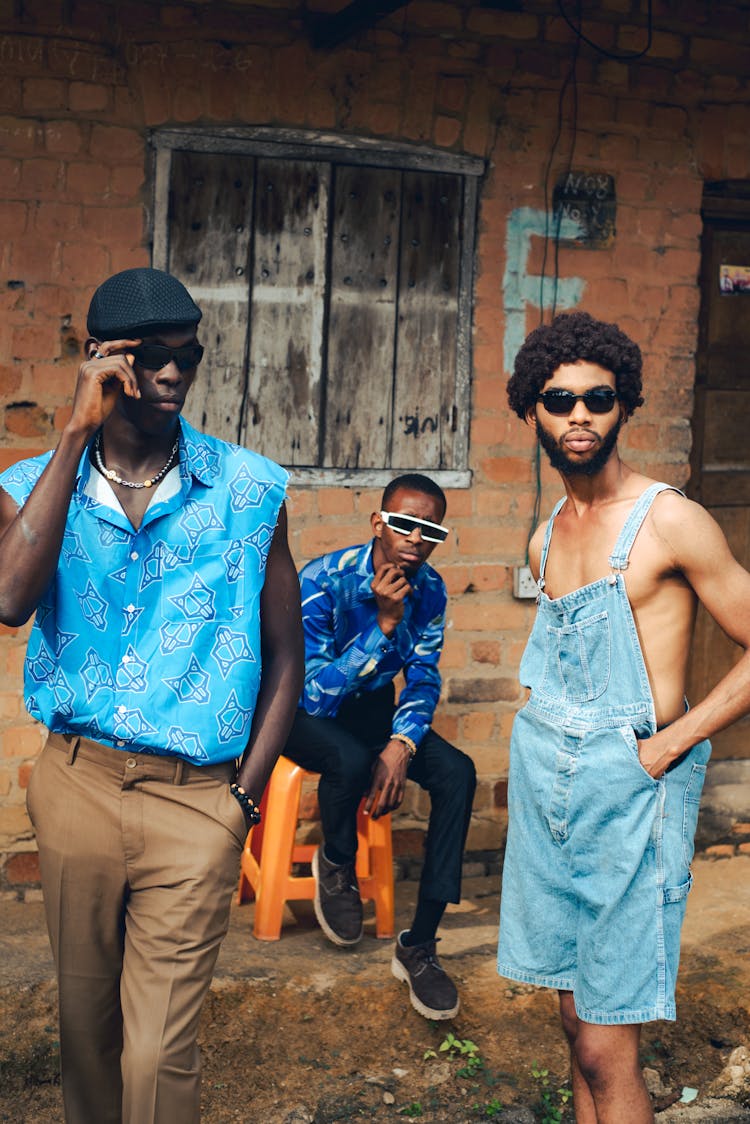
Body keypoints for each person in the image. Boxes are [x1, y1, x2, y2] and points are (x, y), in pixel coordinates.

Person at [0, 267, 304, 1124]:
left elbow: (288, 657)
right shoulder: (28, 486)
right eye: (154, 356)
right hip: (77, 788)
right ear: (105, 360)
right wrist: (72, 437)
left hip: (197, 801)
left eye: (190, 355)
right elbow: (9, 600)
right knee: (86, 1036)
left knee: (159, 1051)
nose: (175, 373)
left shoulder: (250, 491)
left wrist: (241, 801)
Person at [497, 310, 750, 1123]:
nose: (579, 415)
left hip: (632, 792)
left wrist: (670, 742)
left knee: (609, 1046)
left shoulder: (668, 520)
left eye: (598, 399)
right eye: (559, 399)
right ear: (532, 411)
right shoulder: (545, 540)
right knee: (575, 1027)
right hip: (550, 793)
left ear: (624, 407)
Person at [284, 473, 477, 1020]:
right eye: (404, 524)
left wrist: (401, 742)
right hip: (299, 712)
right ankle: (337, 862)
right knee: (345, 757)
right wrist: (385, 626)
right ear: (379, 523)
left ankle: (420, 944)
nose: (416, 539)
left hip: (374, 712)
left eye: (430, 530)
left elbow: (423, 678)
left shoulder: (432, 590)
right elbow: (317, 696)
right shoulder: (324, 580)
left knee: (457, 772)